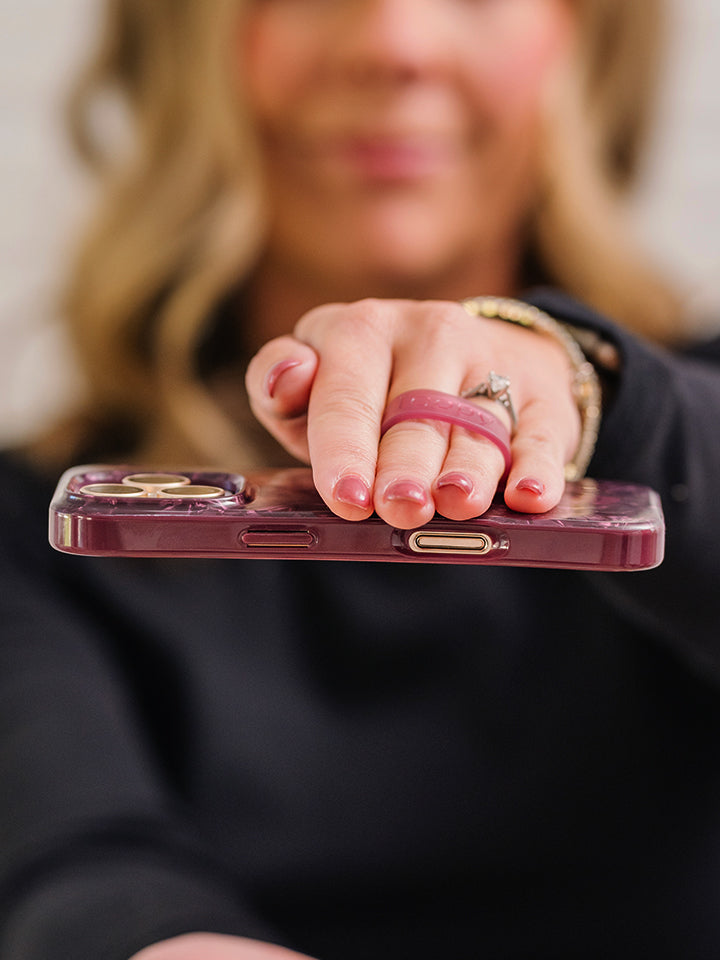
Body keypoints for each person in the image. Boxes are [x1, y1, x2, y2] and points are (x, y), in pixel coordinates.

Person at [1, 0, 719, 958]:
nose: (395, 44)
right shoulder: (31, 530)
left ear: (580, 37)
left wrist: (580, 379)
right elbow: (75, 870)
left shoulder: (688, 420)